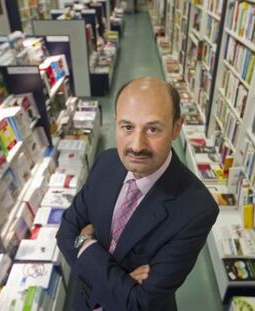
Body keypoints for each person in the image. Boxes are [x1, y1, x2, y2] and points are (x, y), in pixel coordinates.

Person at [56, 77, 219, 311]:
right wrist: (122, 280)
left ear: (176, 128)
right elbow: (65, 231)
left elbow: (139, 303)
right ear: (116, 123)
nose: (137, 145)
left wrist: (84, 245)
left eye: (153, 129)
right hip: (84, 301)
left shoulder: (197, 209)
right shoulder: (106, 162)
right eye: (127, 127)